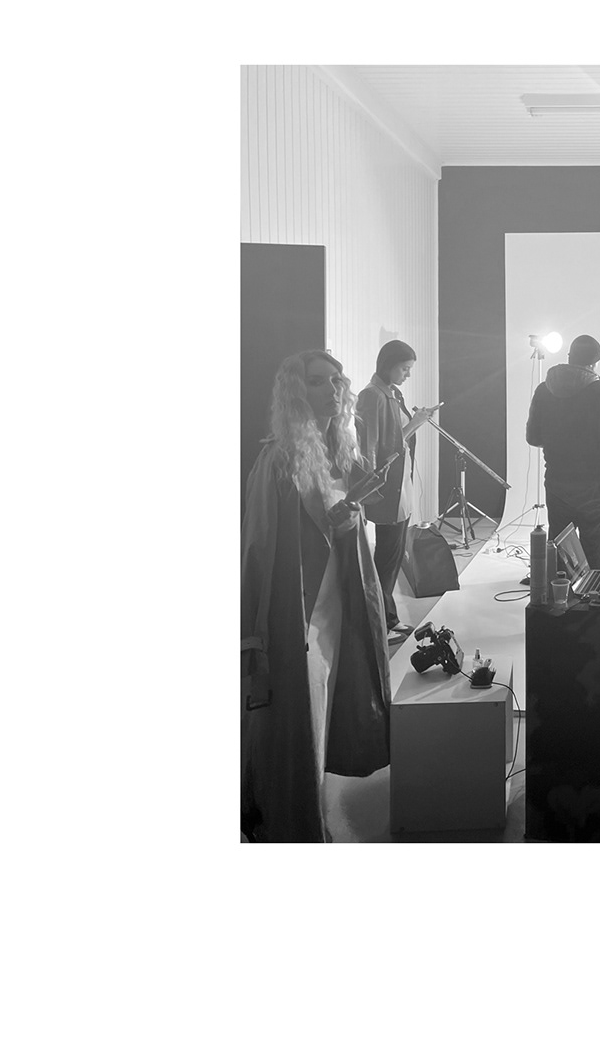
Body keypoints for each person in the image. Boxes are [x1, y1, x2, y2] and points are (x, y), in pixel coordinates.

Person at [241, 349, 395, 842]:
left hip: (339, 610)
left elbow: (340, 529)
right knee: (298, 727)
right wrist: (250, 635)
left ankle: (316, 820)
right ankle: (296, 831)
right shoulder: (278, 462)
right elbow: (256, 549)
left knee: (326, 718)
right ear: (295, 393)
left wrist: (350, 517)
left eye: (335, 380)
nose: (331, 389)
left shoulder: (340, 455)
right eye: (316, 381)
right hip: (297, 616)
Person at [526, 335, 600, 571]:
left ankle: (558, 594)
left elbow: (533, 438)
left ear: (570, 358)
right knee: (593, 557)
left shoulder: (544, 389)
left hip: (557, 484)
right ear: (593, 364)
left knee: (561, 556)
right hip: (593, 487)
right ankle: (593, 593)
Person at [354, 339, 441, 618]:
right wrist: (415, 423)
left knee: (391, 556)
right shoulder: (372, 396)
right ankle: (383, 619)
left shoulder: (390, 393)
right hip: (388, 488)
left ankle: (385, 618)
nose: (408, 374)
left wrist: (416, 421)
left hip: (400, 484)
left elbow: (395, 442)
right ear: (388, 365)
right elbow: (372, 448)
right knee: (387, 558)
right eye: (404, 368)